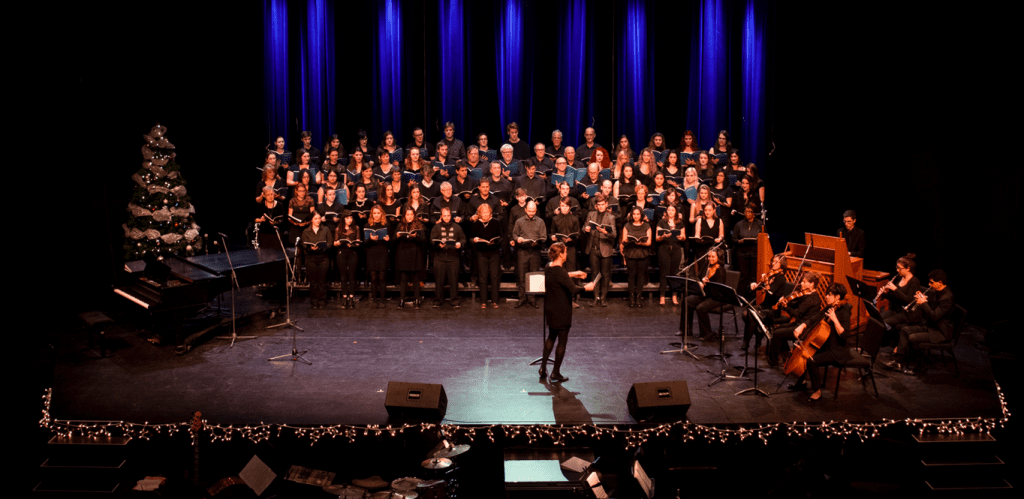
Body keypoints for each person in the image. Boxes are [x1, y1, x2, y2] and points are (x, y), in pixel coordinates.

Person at [539, 242, 597, 383]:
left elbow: (560, 275)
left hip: (550, 308)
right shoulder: (560, 271)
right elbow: (574, 289)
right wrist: (587, 288)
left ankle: (542, 368)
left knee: (551, 337)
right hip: (562, 310)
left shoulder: (548, 266)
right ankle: (555, 373)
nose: (567, 254)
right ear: (561, 254)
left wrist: (574, 273)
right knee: (562, 342)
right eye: (565, 252)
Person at [786, 283, 852, 401]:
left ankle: (817, 391)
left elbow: (844, 335)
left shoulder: (844, 311)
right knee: (805, 353)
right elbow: (816, 317)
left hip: (837, 350)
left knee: (812, 361)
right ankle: (802, 382)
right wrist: (802, 326)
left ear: (837, 297)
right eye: (826, 294)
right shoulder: (830, 307)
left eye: (829, 295)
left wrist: (835, 319)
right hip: (826, 344)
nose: (826, 296)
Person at [884, 270, 954, 374]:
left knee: (913, 338)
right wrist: (924, 299)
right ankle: (898, 362)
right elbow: (932, 308)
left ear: (940, 282)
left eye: (931, 282)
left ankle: (921, 367)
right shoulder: (938, 292)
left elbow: (934, 316)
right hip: (931, 327)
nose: (929, 285)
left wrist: (923, 304)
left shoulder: (946, 298)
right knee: (905, 330)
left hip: (940, 333)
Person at [767, 272, 823, 366]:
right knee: (777, 329)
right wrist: (786, 303)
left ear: (812, 284)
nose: (801, 283)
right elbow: (795, 304)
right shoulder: (808, 295)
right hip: (799, 323)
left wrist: (786, 307)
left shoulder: (812, 299)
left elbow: (796, 313)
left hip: (803, 328)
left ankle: (773, 361)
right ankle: (787, 357)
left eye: (804, 282)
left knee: (777, 333)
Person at [682, 248, 727, 340]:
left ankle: (707, 333)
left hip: (717, 297)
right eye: (709, 256)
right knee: (687, 301)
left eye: (713, 257)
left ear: (719, 257)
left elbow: (718, 289)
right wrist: (699, 282)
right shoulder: (706, 265)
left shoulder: (720, 270)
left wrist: (708, 283)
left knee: (700, 308)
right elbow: (698, 277)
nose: (710, 259)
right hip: (706, 294)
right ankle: (686, 330)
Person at [512, 200, 546, 308]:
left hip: (535, 251)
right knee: (522, 275)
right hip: (523, 251)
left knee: (533, 276)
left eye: (533, 211)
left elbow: (544, 237)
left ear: (536, 210)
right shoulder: (519, 221)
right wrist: (518, 239)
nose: (531, 213)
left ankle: (532, 298)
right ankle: (522, 298)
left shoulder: (540, 222)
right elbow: (514, 234)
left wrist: (539, 241)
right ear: (525, 210)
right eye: (529, 211)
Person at [584, 194, 616, 306]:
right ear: (596, 206)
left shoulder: (610, 217)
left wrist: (605, 232)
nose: (601, 206)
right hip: (593, 248)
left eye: (603, 204)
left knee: (605, 274)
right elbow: (584, 227)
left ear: (606, 204)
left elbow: (614, 234)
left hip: (605, 248)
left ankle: (603, 298)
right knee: (594, 273)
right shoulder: (591, 214)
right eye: (599, 205)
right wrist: (586, 229)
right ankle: (595, 297)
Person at [431, 207, 465, 308]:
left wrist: (460, 244)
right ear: (441, 216)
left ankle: (454, 301)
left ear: (451, 216)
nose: (446, 217)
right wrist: (438, 245)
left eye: (448, 215)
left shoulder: (457, 227)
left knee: (454, 281)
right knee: (439, 280)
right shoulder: (436, 227)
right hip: (439, 257)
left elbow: (463, 239)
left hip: (453, 257)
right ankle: (437, 301)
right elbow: (432, 240)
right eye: (444, 215)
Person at [878, 253, 921, 333]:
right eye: (897, 267)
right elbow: (894, 297)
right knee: (876, 319)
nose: (897, 270)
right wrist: (884, 294)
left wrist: (895, 289)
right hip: (896, 310)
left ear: (908, 268)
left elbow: (909, 301)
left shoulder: (914, 282)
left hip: (907, 314)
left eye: (899, 268)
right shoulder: (898, 278)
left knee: (883, 323)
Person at [471, 203, 503, 308]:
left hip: (494, 252)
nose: (485, 214)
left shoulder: (496, 223)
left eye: (487, 212)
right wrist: (474, 240)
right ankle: (483, 301)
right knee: (483, 277)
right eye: (483, 212)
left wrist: (495, 242)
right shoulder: (476, 224)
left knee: (494, 276)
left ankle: (494, 301)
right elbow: (470, 238)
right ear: (480, 213)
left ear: (490, 213)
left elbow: (501, 237)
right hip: (481, 252)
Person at [394, 208, 427, 309]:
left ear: (414, 215)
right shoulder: (400, 225)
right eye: (407, 215)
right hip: (403, 254)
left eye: (411, 215)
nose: (409, 217)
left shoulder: (419, 226)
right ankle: (402, 300)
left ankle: (417, 300)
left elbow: (424, 241)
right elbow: (393, 241)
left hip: (415, 255)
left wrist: (415, 236)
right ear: (404, 216)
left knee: (415, 279)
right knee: (403, 279)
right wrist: (397, 236)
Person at [621, 206, 652, 308]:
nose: (636, 216)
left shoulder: (647, 225)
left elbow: (649, 242)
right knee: (631, 276)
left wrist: (640, 243)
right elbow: (624, 239)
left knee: (640, 276)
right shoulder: (627, 225)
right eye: (634, 214)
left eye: (638, 214)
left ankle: (638, 297)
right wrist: (627, 241)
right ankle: (631, 298)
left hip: (642, 253)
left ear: (641, 215)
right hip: (630, 252)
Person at [656, 203, 686, 306]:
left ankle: (674, 296)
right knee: (664, 272)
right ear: (666, 212)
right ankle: (662, 296)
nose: (671, 212)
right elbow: (657, 238)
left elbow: (684, 237)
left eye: (673, 210)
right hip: (664, 248)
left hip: (676, 248)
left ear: (676, 212)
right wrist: (663, 236)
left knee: (675, 272)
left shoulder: (680, 222)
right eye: (669, 210)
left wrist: (681, 237)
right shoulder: (661, 222)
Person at [301, 211, 332, 309]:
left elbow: (330, 243)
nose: (318, 221)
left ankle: (322, 301)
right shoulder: (306, 231)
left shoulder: (325, 229)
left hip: (323, 257)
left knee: (322, 281)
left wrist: (321, 247)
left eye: (319, 218)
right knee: (313, 282)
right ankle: (314, 301)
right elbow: (304, 244)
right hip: (311, 258)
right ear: (311, 220)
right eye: (315, 219)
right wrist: (311, 248)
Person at [363, 205, 390, 308]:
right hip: (371, 253)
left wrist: (388, 240)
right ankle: (374, 300)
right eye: (374, 213)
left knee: (382, 277)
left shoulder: (386, 225)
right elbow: (365, 243)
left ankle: (382, 300)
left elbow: (391, 244)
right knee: (373, 278)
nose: (376, 215)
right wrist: (371, 239)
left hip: (382, 252)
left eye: (378, 213)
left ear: (381, 214)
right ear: (372, 214)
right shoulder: (367, 225)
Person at [733, 203, 763, 294]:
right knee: (743, 276)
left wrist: (758, 240)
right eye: (745, 211)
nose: (747, 213)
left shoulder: (759, 224)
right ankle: (741, 296)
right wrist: (739, 241)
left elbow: (764, 238)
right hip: (742, 253)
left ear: (753, 213)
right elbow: (733, 238)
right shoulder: (739, 224)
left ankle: (753, 296)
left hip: (754, 253)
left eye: (749, 212)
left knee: (754, 276)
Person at [333, 210, 361, 309]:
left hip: (352, 252)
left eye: (351, 218)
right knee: (343, 276)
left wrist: (355, 243)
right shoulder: (338, 229)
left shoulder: (356, 228)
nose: (349, 220)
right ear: (343, 218)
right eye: (347, 218)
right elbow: (335, 243)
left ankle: (351, 298)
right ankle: (344, 297)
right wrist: (338, 243)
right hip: (342, 252)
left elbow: (358, 242)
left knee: (352, 276)